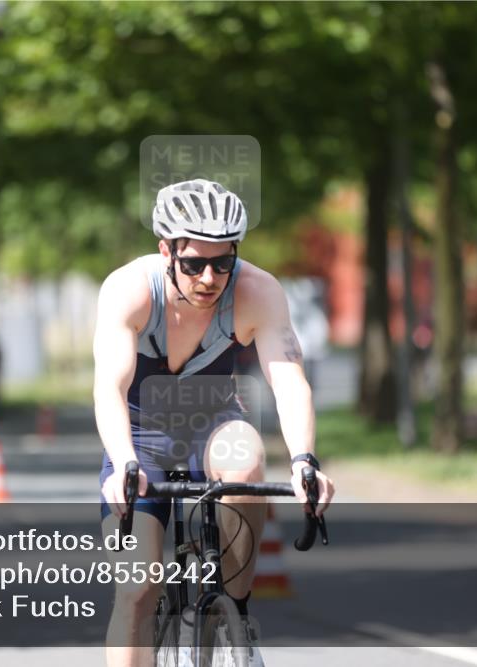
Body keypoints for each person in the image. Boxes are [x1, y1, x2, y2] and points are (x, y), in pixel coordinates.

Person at [94, 179, 336, 667]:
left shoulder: (258, 291)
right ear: (166, 252)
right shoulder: (130, 289)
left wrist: (304, 461)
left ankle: (235, 614)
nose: (209, 277)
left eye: (223, 262)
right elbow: (110, 387)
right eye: (194, 264)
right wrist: (123, 463)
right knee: (137, 589)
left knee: (246, 460)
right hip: (141, 437)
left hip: (215, 426)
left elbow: (289, 382)